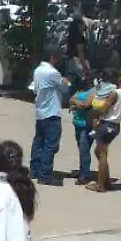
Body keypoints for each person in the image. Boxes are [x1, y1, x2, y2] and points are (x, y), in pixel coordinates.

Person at [30, 48, 71, 185]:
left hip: (40, 111)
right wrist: (66, 81)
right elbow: (65, 87)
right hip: (52, 112)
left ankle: (34, 170)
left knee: (38, 142)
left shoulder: (38, 71)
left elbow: (35, 89)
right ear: (53, 57)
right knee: (50, 145)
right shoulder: (52, 72)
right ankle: (45, 175)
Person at [87, 71, 121, 193]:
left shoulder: (116, 93)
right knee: (99, 151)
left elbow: (103, 107)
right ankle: (106, 181)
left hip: (107, 124)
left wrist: (94, 109)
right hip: (116, 125)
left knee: (101, 153)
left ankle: (100, 185)